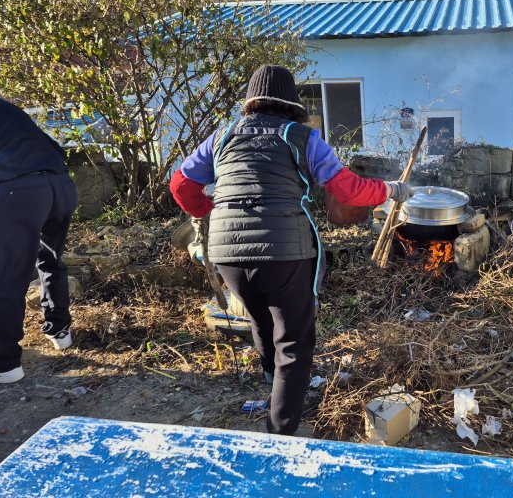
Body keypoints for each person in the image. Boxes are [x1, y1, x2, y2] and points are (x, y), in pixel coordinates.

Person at [170, 64, 413, 435]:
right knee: (295, 344)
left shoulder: (221, 137)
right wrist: (390, 190)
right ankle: (280, 435)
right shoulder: (300, 137)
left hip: (227, 254)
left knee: (258, 314)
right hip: (284, 251)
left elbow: (181, 186)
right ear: (292, 103)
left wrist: (210, 213)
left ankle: (272, 380)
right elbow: (347, 189)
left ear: (251, 103)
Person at [0, 98, 78, 384]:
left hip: (20, 190)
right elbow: (54, 146)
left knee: (8, 273)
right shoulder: (9, 108)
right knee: (50, 260)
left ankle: (5, 364)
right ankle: (60, 332)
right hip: (60, 185)